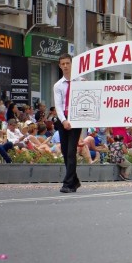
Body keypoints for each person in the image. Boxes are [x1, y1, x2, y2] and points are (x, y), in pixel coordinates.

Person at [53, 53, 83, 193]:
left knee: (71, 151)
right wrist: (64, 120)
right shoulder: (58, 85)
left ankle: (67, 183)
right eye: (63, 64)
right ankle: (74, 181)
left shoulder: (81, 82)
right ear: (60, 66)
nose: (65, 66)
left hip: (76, 117)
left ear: (72, 64)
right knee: (65, 151)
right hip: (63, 118)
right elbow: (58, 106)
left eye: (67, 63)